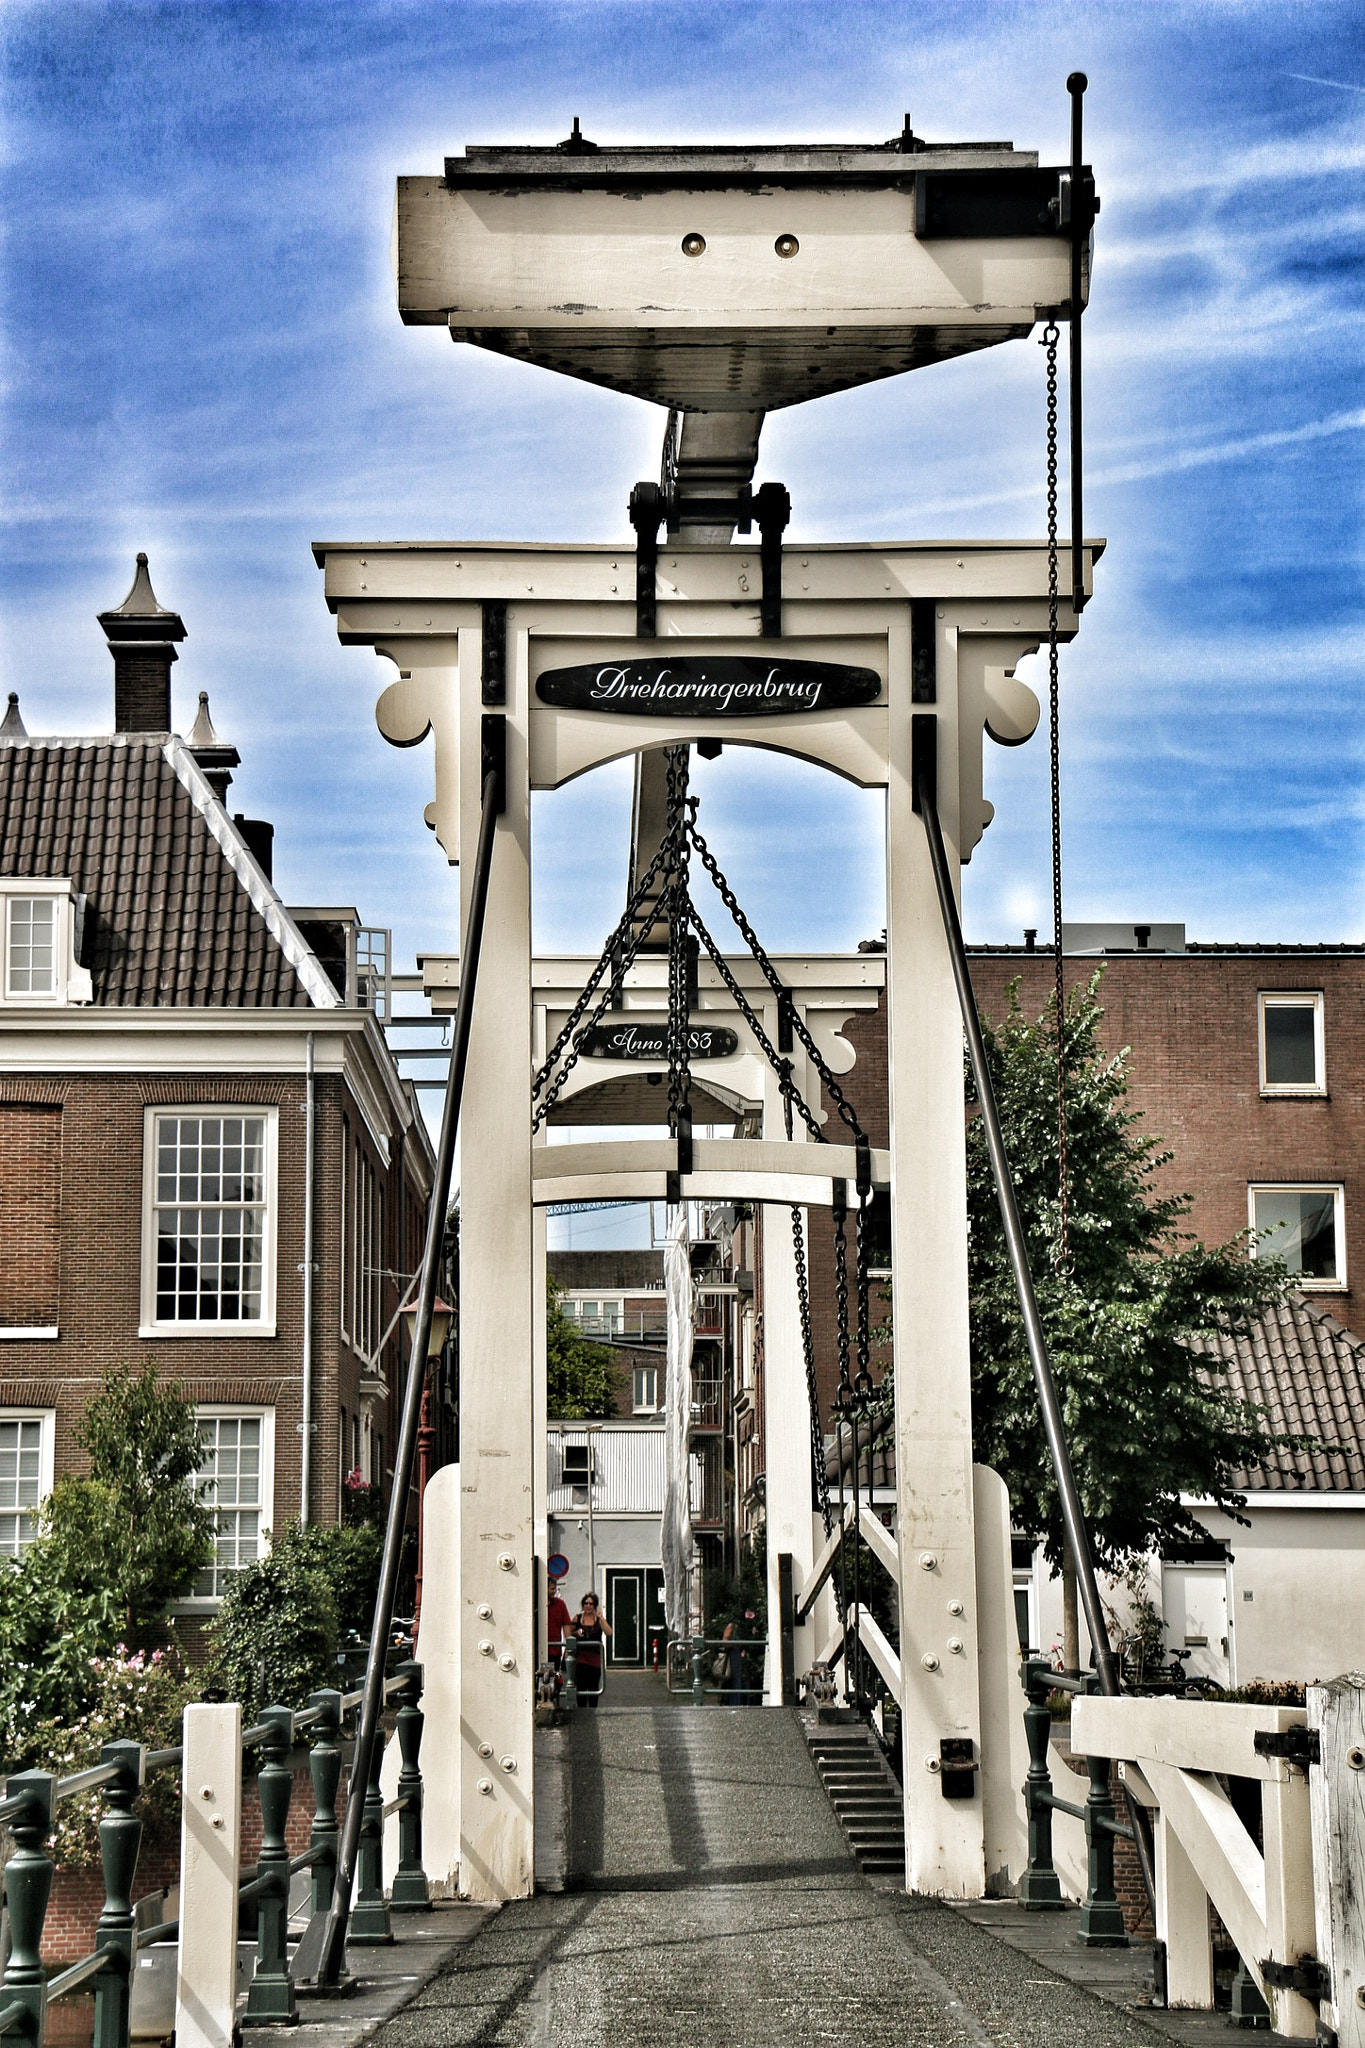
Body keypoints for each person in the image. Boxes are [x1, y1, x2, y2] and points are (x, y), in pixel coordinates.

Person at [569, 1590, 610, 1706]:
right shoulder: (577, 1618)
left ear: (595, 1606)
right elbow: (569, 1634)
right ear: (582, 1605)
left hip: (595, 1661)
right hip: (580, 1660)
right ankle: (581, 1716)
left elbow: (609, 1632)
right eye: (586, 1603)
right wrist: (576, 1633)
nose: (588, 1606)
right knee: (581, 1688)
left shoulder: (598, 1620)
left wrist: (601, 1618)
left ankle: (592, 1715)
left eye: (591, 1604)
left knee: (593, 1690)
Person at [546, 1574, 572, 1690]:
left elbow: (566, 1625)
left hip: (554, 1651)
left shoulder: (560, 1604)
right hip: (537, 1650)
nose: (554, 1591)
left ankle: (554, 1701)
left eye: (555, 1588)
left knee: (553, 1679)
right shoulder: (535, 1604)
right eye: (552, 1589)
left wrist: (568, 1647)